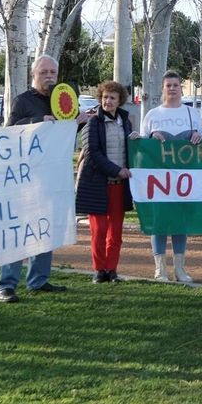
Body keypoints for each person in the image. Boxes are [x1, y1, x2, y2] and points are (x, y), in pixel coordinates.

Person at [0, 55, 76, 303]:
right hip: (23, 178)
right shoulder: (23, 101)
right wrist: (38, 121)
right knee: (18, 232)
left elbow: (64, 135)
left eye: (53, 72)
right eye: (44, 72)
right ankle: (6, 285)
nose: (49, 76)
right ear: (34, 74)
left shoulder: (61, 100)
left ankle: (38, 280)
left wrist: (78, 123)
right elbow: (9, 132)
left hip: (50, 177)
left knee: (45, 229)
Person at [141, 71, 202, 283]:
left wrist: (199, 136)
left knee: (180, 223)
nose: (173, 88)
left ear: (181, 88)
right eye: (168, 85)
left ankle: (180, 269)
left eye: (176, 85)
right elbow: (142, 148)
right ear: (163, 88)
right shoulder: (152, 115)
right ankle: (160, 270)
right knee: (159, 223)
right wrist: (151, 138)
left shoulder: (192, 114)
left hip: (185, 179)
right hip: (159, 180)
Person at [78, 81, 135, 283]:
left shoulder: (126, 123)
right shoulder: (93, 123)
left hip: (119, 188)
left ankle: (112, 269)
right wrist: (117, 170)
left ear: (119, 101)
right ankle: (99, 269)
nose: (107, 101)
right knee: (99, 230)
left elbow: (131, 151)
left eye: (112, 98)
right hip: (97, 186)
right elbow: (93, 154)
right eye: (104, 97)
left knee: (115, 232)